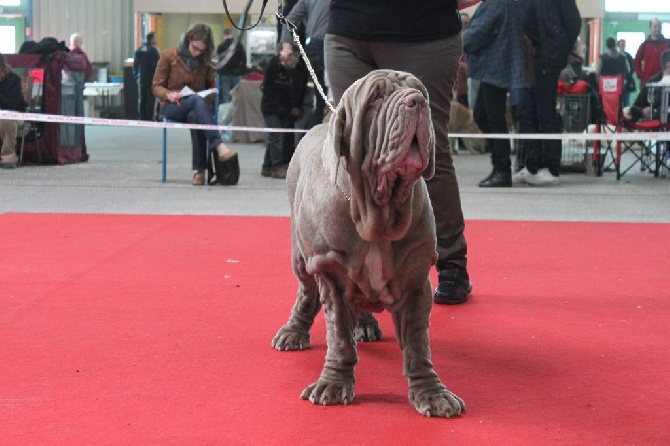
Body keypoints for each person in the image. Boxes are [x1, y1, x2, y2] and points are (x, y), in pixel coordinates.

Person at [325, 0, 482, 305]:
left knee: (425, 150)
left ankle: (451, 262)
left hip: (425, 35)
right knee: (353, 155)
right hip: (348, 32)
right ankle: (356, 269)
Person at [152, 23, 236, 186]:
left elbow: (212, 87)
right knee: (197, 103)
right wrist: (168, 94)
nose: (197, 53)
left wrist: (212, 86)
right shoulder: (169, 55)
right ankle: (218, 145)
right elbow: (156, 86)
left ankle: (200, 172)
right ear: (188, 40)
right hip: (172, 105)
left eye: (201, 50)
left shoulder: (205, 61)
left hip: (197, 107)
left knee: (195, 115)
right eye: (195, 48)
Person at [513, 0, 581, 186]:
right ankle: (531, 166)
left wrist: (560, 51)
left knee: (546, 113)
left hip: (546, 59)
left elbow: (574, 22)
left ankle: (552, 168)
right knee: (527, 114)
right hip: (525, 60)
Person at [464, 0, 529, 188]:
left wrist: (456, 41)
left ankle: (502, 170)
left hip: (494, 69)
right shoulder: (506, 3)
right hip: (498, 68)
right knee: (485, 116)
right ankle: (500, 165)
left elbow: (476, 35)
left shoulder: (495, 4)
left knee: (493, 119)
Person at [280, 0, 329, 129]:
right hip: (329, 46)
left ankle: (313, 142)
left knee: (322, 103)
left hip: (315, 47)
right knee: (329, 102)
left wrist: (286, 45)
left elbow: (289, 20)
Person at [260, 46, 307, 179]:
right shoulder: (274, 67)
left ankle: (267, 166)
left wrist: (292, 108)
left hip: (283, 110)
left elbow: (291, 91)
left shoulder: (291, 71)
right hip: (271, 108)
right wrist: (281, 57)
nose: (296, 60)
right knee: (276, 138)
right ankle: (276, 166)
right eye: (294, 57)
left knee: (275, 137)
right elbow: (273, 91)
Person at [0, 52, 27, 169]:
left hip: (14, 116)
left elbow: (11, 104)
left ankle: (8, 158)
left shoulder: (13, 79)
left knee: (6, 121)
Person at [630, 49, 670, 123]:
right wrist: (643, 111)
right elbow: (633, 108)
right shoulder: (651, 85)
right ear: (668, 65)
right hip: (656, 127)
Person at [633, 19, 669, 87]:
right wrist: (641, 75)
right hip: (647, 82)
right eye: (655, 27)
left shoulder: (667, 44)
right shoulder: (644, 45)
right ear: (650, 28)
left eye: (659, 27)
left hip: (664, 82)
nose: (657, 29)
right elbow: (636, 62)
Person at [215, 28, 247, 104]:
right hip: (237, 74)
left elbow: (218, 62)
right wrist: (242, 70)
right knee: (237, 97)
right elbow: (244, 59)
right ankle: (236, 115)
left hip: (224, 74)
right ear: (232, 34)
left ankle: (227, 115)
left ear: (224, 35)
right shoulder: (238, 45)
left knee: (226, 97)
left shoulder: (221, 46)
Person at [133, 32, 160, 121]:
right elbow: (158, 65)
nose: (156, 40)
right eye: (155, 38)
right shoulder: (153, 50)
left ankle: (142, 117)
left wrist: (136, 75)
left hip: (141, 78)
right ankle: (150, 118)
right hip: (151, 78)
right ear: (151, 39)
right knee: (151, 99)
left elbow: (135, 65)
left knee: (142, 99)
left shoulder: (139, 49)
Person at [618, 39, 637, 107]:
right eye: (621, 45)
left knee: (627, 102)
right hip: (618, 82)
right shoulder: (616, 57)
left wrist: (627, 75)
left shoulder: (628, 56)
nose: (622, 47)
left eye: (623, 45)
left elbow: (632, 68)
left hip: (627, 82)